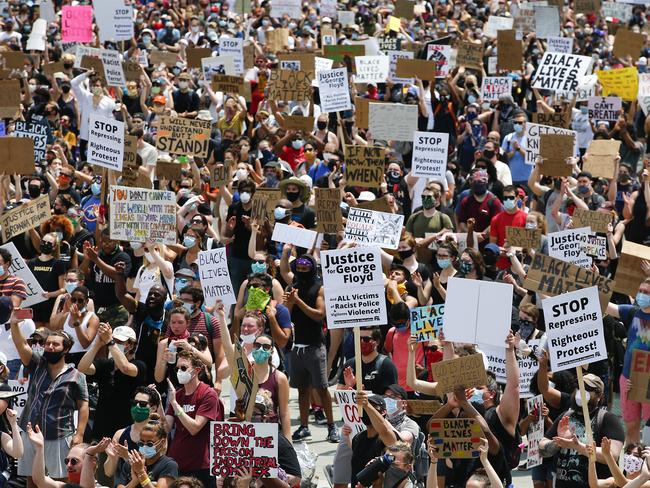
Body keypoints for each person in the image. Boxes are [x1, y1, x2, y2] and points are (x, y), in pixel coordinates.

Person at [10, 318, 88, 483]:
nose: (50, 347)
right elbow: (21, 345)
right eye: (48, 343)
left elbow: (83, 406)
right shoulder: (37, 364)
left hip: (58, 434)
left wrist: (80, 434)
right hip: (30, 432)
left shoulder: (77, 376)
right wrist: (14, 324)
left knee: (57, 480)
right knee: (31, 480)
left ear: (66, 349)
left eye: (55, 344)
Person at [539, 374, 625, 488]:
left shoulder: (608, 420)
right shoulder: (566, 417)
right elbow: (542, 449)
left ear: (600, 396)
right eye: (579, 387)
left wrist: (578, 446)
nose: (582, 392)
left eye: (588, 389)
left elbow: (612, 455)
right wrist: (558, 443)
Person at [78, 324, 147, 441]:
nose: (114, 344)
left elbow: (125, 368)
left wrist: (109, 341)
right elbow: (82, 368)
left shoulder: (139, 365)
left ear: (130, 345)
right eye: (114, 340)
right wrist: (97, 345)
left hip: (126, 432)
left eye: (119, 341)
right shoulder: (105, 364)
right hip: (101, 429)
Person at [165, 350, 222, 488]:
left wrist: (175, 405)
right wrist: (158, 406)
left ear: (196, 370)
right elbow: (166, 427)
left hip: (201, 465)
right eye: (177, 368)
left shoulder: (208, 394)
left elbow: (195, 428)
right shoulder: (177, 395)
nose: (179, 371)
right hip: (178, 463)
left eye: (183, 368)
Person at [114, 414, 178, 488]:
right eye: (141, 443)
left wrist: (141, 473)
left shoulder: (169, 465)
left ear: (162, 442)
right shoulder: (131, 463)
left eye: (150, 444)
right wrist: (134, 482)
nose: (144, 446)